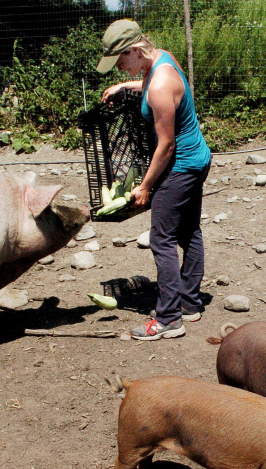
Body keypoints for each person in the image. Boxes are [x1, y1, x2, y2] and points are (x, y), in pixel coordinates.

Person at [97, 19, 211, 341]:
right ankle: (189, 303)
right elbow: (150, 86)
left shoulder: (160, 84)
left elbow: (166, 145)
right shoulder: (162, 58)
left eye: (120, 61)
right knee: (189, 231)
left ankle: (168, 319)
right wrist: (125, 87)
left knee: (161, 238)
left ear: (134, 49)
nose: (120, 68)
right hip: (198, 157)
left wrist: (145, 185)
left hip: (181, 166)